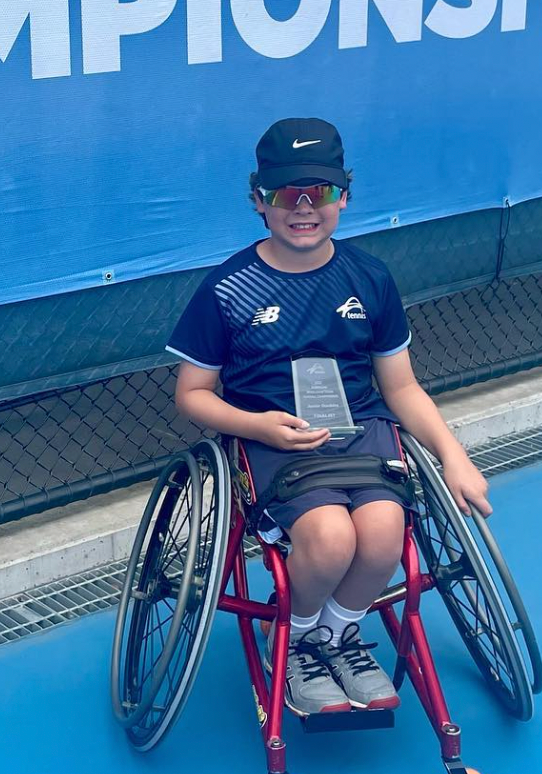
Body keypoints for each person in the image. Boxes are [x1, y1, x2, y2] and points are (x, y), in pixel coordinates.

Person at [166, 117, 491, 716]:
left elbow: (402, 385)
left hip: (359, 430)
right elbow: (193, 394)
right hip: (269, 442)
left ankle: (332, 632)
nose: (306, 209)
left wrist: (455, 458)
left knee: (386, 534)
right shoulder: (227, 289)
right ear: (258, 200)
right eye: (289, 195)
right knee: (331, 538)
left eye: (322, 193)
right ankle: (287, 643)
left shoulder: (369, 278)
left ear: (347, 194)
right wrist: (257, 425)